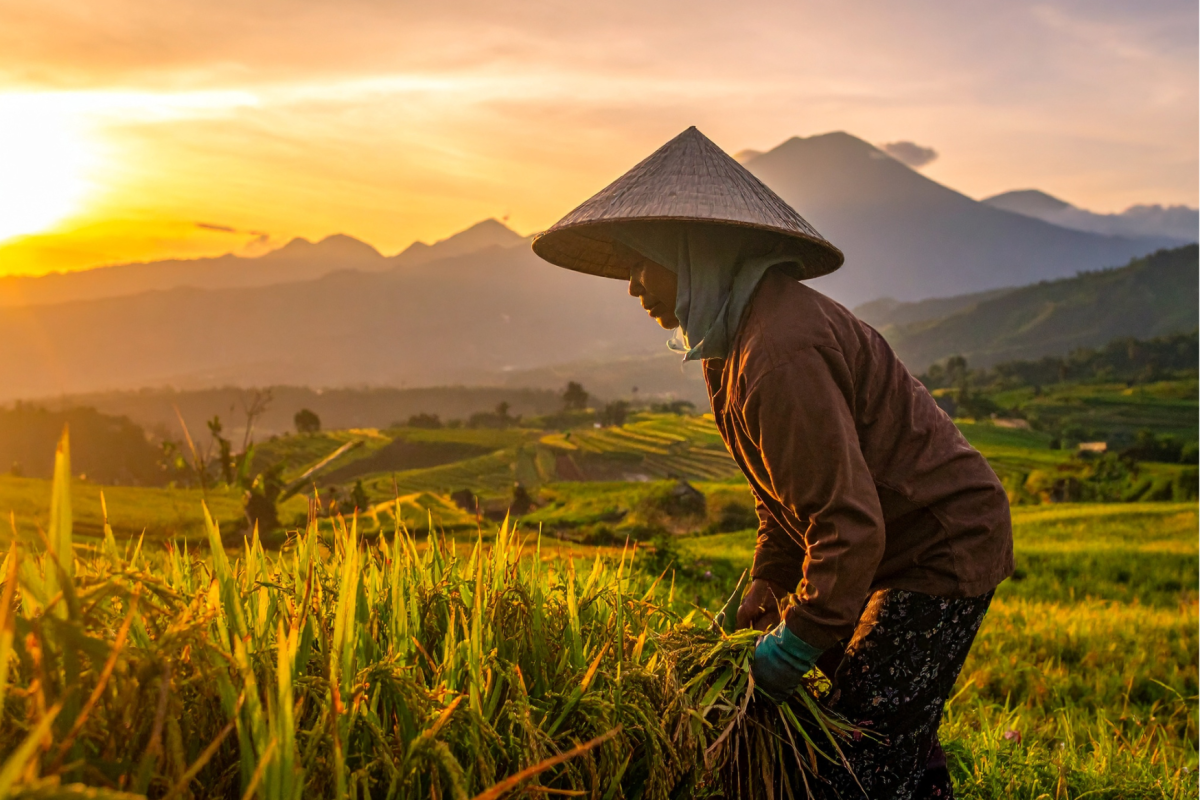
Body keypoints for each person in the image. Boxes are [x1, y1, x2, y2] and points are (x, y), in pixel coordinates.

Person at [532, 127, 1013, 799]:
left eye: (645, 262)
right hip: (886, 544)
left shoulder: (780, 351)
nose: (634, 286)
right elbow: (781, 496)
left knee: (856, 752)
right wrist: (768, 577)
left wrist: (789, 649)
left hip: (938, 545)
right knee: (882, 723)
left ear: (698, 254)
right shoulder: (727, 346)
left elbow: (848, 525)